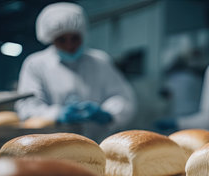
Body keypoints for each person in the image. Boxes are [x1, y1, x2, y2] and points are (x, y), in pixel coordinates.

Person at [15, 2, 137, 141]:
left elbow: (122, 97)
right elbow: (27, 108)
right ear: (51, 39)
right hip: (52, 146)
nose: (70, 45)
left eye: (75, 38)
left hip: (98, 144)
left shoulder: (100, 61)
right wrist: (57, 114)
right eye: (62, 40)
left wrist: (108, 113)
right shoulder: (35, 64)